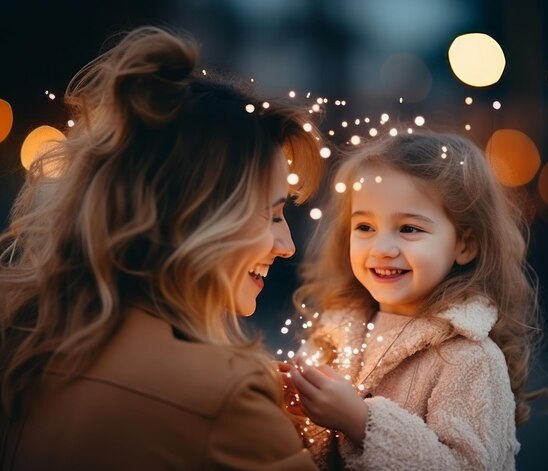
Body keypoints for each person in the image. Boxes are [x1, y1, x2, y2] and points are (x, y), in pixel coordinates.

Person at [0, 26, 324, 470]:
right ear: (195, 217)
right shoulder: (222, 397)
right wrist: (345, 429)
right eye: (269, 215)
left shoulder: (25, 330)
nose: (286, 246)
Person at [283, 130, 548, 470]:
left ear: (464, 244)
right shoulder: (334, 334)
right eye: (365, 227)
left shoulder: (469, 359)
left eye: (409, 229)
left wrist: (360, 420)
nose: (382, 249)